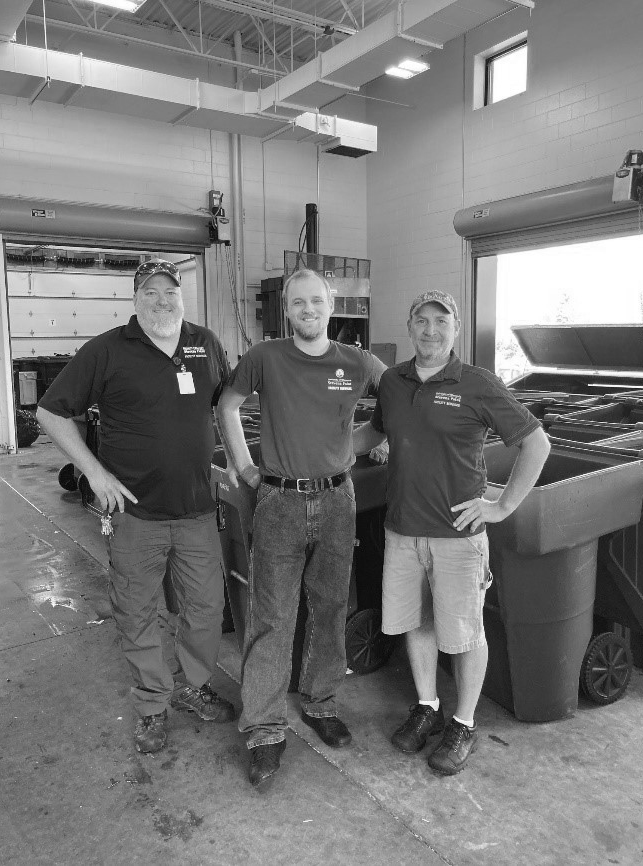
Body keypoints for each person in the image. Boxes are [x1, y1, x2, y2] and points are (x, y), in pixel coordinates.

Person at [37, 259, 236, 754]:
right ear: (134, 298)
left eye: (170, 291)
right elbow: (50, 412)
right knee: (138, 610)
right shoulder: (107, 350)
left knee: (206, 607)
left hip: (195, 511)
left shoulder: (204, 343)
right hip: (134, 515)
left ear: (181, 297)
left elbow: (226, 404)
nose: (162, 301)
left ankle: (192, 685)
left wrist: (237, 462)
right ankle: (152, 705)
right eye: (151, 292)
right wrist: (95, 472)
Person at [353, 290, 550, 775]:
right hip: (401, 531)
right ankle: (427, 706)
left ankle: (464, 722)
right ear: (409, 324)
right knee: (417, 623)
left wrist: (501, 506)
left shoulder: (477, 383)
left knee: (464, 633)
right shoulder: (394, 383)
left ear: (456, 329)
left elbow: (536, 443)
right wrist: (322, 446)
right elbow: (375, 434)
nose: (431, 331)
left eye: (441, 322)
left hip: (457, 536)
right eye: (421, 320)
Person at [218, 268, 386, 788]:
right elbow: (225, 406)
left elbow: (397, 402)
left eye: (316, 301)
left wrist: (360, 441)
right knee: (272, 616)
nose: (308, 310)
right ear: (285, 309)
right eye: (298, 303)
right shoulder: (264, 357)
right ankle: (265, 728)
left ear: (330, 303)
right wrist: (245, 468)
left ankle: (319, 699)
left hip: (338, 500)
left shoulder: (356, 360)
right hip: (280, 502)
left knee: (331, 607)